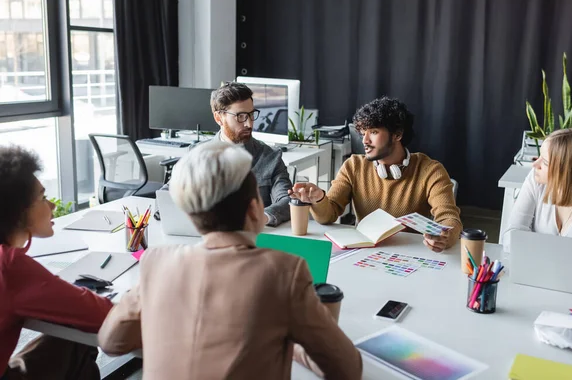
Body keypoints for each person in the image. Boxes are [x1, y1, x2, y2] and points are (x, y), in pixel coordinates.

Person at [98, 142, 362, 380]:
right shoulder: (284, 271)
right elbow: (347, 368)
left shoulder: (157, 261)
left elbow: (111, 342)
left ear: (190, 213)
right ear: (254, 209)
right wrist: (291, 343)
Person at [289, 97, 462, 251]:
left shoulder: (430, 170)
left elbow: (449, 218)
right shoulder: (353, 166)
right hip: (365, 253)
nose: (364, 140)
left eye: (373, 132)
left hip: (412, 254)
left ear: (397, 134)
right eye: (363, 133)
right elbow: (329, 214)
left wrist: (444, 237)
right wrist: (319, 199)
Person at [0, 146, 113, 380]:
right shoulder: (11, 267)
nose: (51, 205)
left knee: (69, 341)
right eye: (42, 198)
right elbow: (99, 314)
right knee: (77, 338)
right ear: (17, 212)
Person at [161, 81, 292, 227]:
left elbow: (287, 200)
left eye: (251, 114)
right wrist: (163, 211)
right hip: (203, 236)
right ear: (219, 118)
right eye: (240, 116)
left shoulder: (271, 157)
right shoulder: (197, 153)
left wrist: (260, 217)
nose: (249, 124)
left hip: (253, 238)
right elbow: (168, 192)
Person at [504, 128, 572, 240]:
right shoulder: (535, 179)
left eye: (544, 162)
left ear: (568, 172)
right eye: (538, 156)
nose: (535, 164)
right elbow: (512, 234)